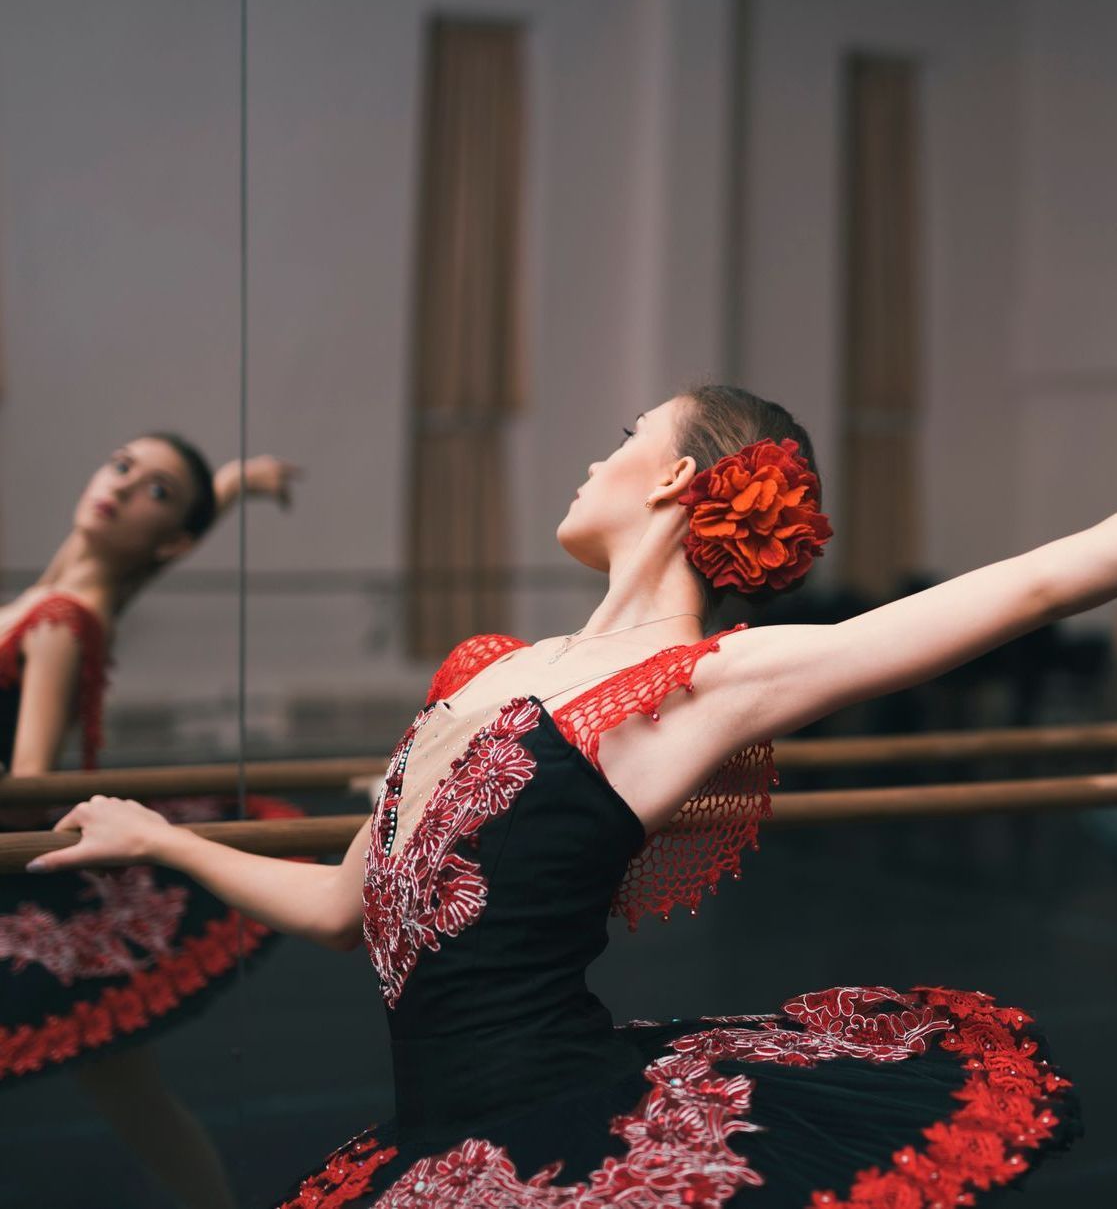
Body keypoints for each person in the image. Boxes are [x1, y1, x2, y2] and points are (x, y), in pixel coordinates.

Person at [29, 388, 1090, 1208]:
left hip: (567, 1128)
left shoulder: (701, 685)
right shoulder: (482, 666)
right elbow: (339, 909)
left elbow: (1036, 586)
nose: (592, 456)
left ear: (674, 474)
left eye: (623, 432)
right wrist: (161, 839)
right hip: (433, 1135)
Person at [0, 434, 302, 1209]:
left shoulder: (64, 617)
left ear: (169, 535)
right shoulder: (62, 589)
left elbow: (29, 786)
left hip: (26, 877)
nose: (121, 483)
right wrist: (231, 483)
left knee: (134, 1096)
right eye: (122, 464)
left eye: (154, 490)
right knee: (132, 1096)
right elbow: (109, 557)